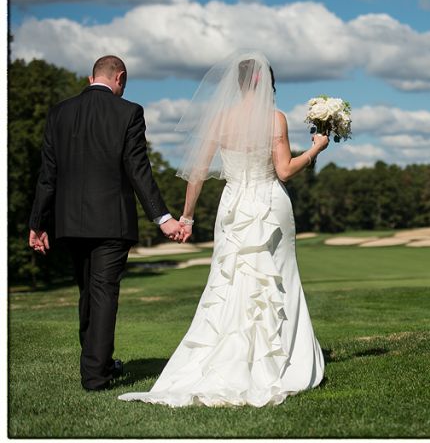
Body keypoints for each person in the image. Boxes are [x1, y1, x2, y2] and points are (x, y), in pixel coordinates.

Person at [119, 51, 329, 407]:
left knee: (227, 280)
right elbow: (284, 171)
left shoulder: (220, 120)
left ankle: (226, 357)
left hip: (232, 208)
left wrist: (186, 217)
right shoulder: (274, 119)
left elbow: (197, 173)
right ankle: (279, 360)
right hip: (268, 205)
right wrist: (315, 150)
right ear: (263, 81)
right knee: (277, 279)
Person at [28, 55, 185, 391]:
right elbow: (138, 170)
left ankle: (98, 361)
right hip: (111, 222)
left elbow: (48, 175)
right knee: (102, 294)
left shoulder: (59, 113)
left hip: (69, 222)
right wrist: (163, 218)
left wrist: (37, 223)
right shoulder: (129, 112)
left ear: (90, 78)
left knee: (87, 292)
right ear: (120, 77)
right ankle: (96, 374)